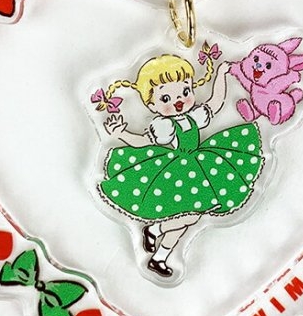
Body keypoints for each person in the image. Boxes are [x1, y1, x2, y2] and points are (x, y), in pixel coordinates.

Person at [93, 50, 264, 278]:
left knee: (185, 220)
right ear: (152, 105)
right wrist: (121, 134)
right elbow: (144, 142)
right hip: (177, 172)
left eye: (185, 91)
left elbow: (215, 102)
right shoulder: (163, 126)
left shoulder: (194, 116)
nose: (179, 101)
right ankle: (155, 231)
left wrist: (221, 74)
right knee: (191, 216)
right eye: (166, 99)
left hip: (199, 166)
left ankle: (159, 256)